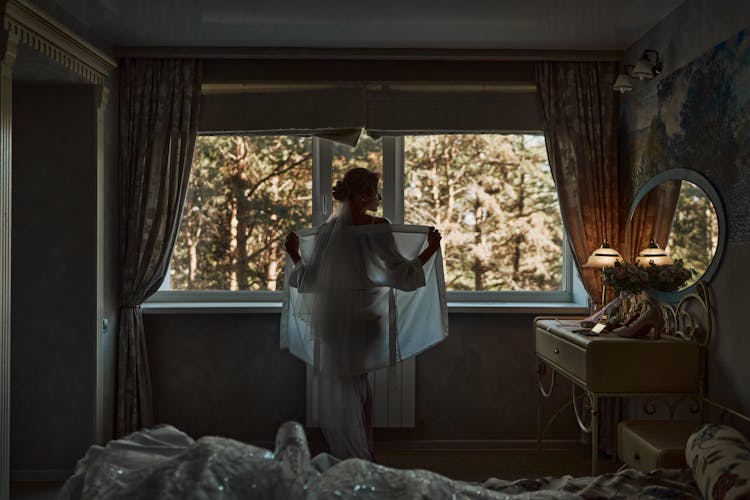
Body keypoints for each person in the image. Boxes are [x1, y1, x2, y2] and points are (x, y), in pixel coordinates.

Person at [282, 167, 445, 461]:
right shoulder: (377, 227)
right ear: (361, 195)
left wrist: (294, 253)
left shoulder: (328, 232)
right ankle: (363, 452)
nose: (379, 198)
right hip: (365, 318)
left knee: (350, 386)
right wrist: (431, 249)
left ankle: (355, 451)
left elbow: (312, 280)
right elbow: (402, 275)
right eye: (376, 191)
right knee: (361, 387)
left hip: (332, 321)